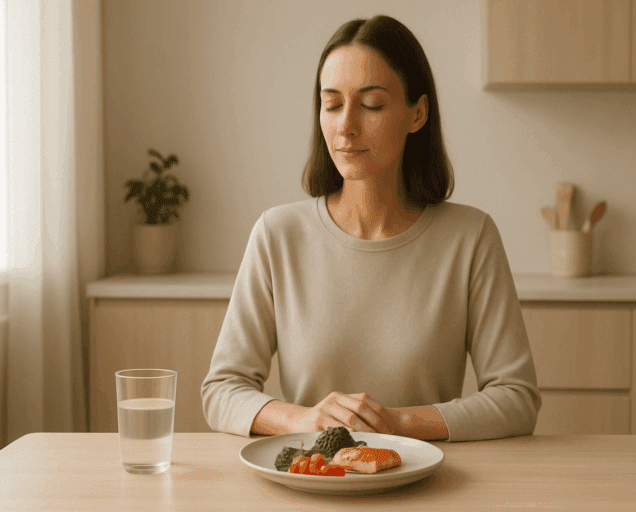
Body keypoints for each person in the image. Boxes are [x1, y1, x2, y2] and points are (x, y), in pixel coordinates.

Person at [201, 15, 541, 442]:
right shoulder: (277, 234)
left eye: (372, 104)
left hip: (430, 492)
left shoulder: (470, 238)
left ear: (417, 113)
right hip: (313, 486)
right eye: (332, 104)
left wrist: (395, 424)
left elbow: (517, 400)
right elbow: (221, 392)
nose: (346, 126)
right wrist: (304, 421)